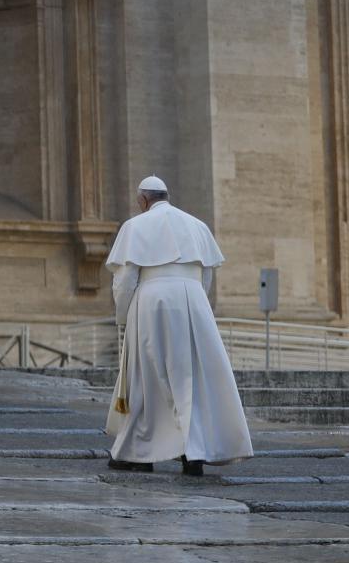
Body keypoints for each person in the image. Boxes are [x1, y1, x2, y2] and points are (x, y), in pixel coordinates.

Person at [103, 176, 252, 476]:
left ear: (143, 200)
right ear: (166, 195)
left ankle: (139, 453)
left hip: (152, 301)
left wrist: (123, 315)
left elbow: (127, 279)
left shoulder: (135, 226)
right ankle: (192, 453)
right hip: (194, 301)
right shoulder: (197, 226)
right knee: (192, 378)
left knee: (147, 376)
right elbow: (206, 275)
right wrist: (198, 305)